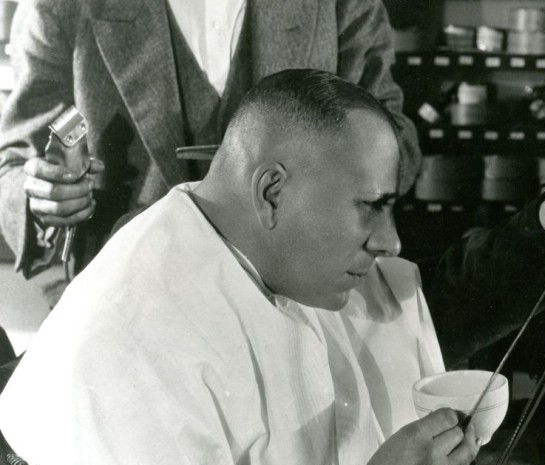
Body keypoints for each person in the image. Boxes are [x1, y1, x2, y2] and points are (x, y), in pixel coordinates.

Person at [0, 70, 545, 465]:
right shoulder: (128, 338)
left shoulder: (269, 246)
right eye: (371, 208)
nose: (389, 241)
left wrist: (544, 230)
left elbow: (414, 319)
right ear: (272, 189)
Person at [0, 0, 420, 304]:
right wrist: (42, 193)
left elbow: (398, 146)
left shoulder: (340, 5)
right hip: (124, 301)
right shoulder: (59, 6)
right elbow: (14, 166)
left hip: (295, 311)